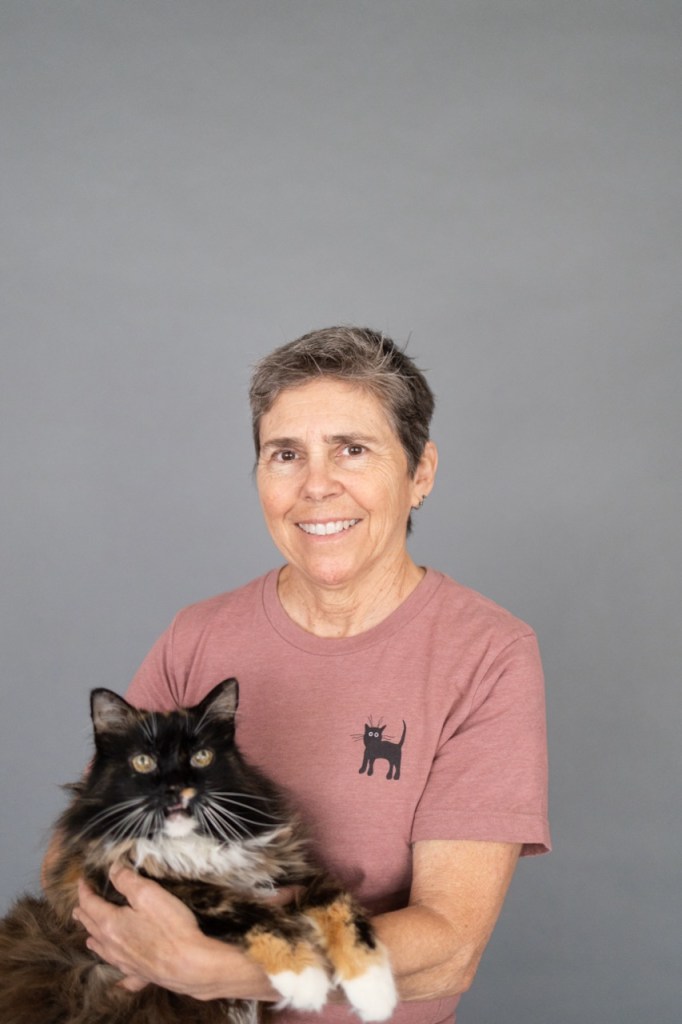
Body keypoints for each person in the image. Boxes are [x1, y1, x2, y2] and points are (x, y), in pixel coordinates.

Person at [71, 326, 550, 1024]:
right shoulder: (197, 634)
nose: (316, 486)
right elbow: (81, 843)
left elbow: (450, 947)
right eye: (286, 454)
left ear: (420, 473)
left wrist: (228, 968)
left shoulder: (487, 653)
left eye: (353, 449)